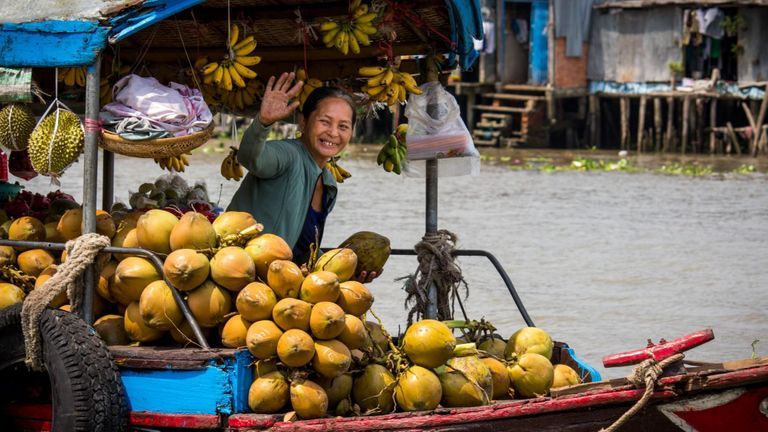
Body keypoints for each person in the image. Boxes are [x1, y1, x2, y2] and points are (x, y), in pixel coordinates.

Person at [228, 72, 378, 282]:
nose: (334, 133)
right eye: (325, 122)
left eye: (343, 126)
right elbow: (251, 158)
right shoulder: (289, 155)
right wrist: (263, 122)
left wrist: (348, 270)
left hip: (278, 286)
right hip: (237, 273)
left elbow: (302, 253)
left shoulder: (329, 185)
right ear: (303, 122)